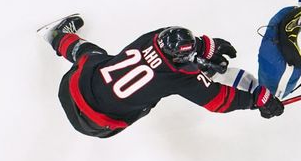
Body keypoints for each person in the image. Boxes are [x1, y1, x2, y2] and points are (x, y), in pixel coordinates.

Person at [37, 15, 284, 138]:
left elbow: (178, 51)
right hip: (94, 124)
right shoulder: (178, 79)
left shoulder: (153, 37)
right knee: (147, 98)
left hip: (73, 85)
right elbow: (218, 100)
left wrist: (205, 47)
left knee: (92, 55)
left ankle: (58, 36)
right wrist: (255, 100)